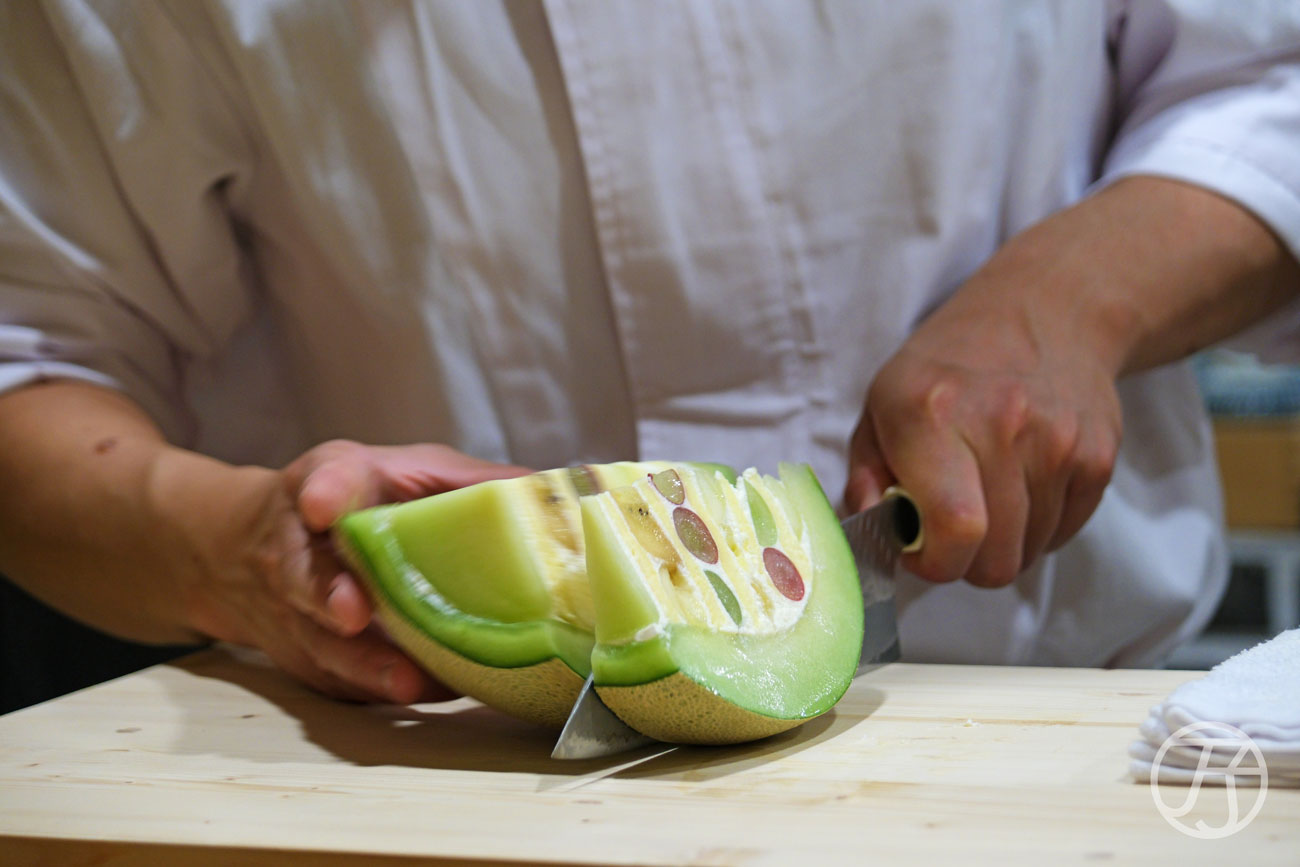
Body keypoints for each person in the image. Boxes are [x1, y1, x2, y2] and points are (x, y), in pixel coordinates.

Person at [0, 1, 1297, 706]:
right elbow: (36, 350)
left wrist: (1072, 299)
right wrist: (235, 554)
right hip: (432, 792)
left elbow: (1270, 80)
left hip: (1042, 736)